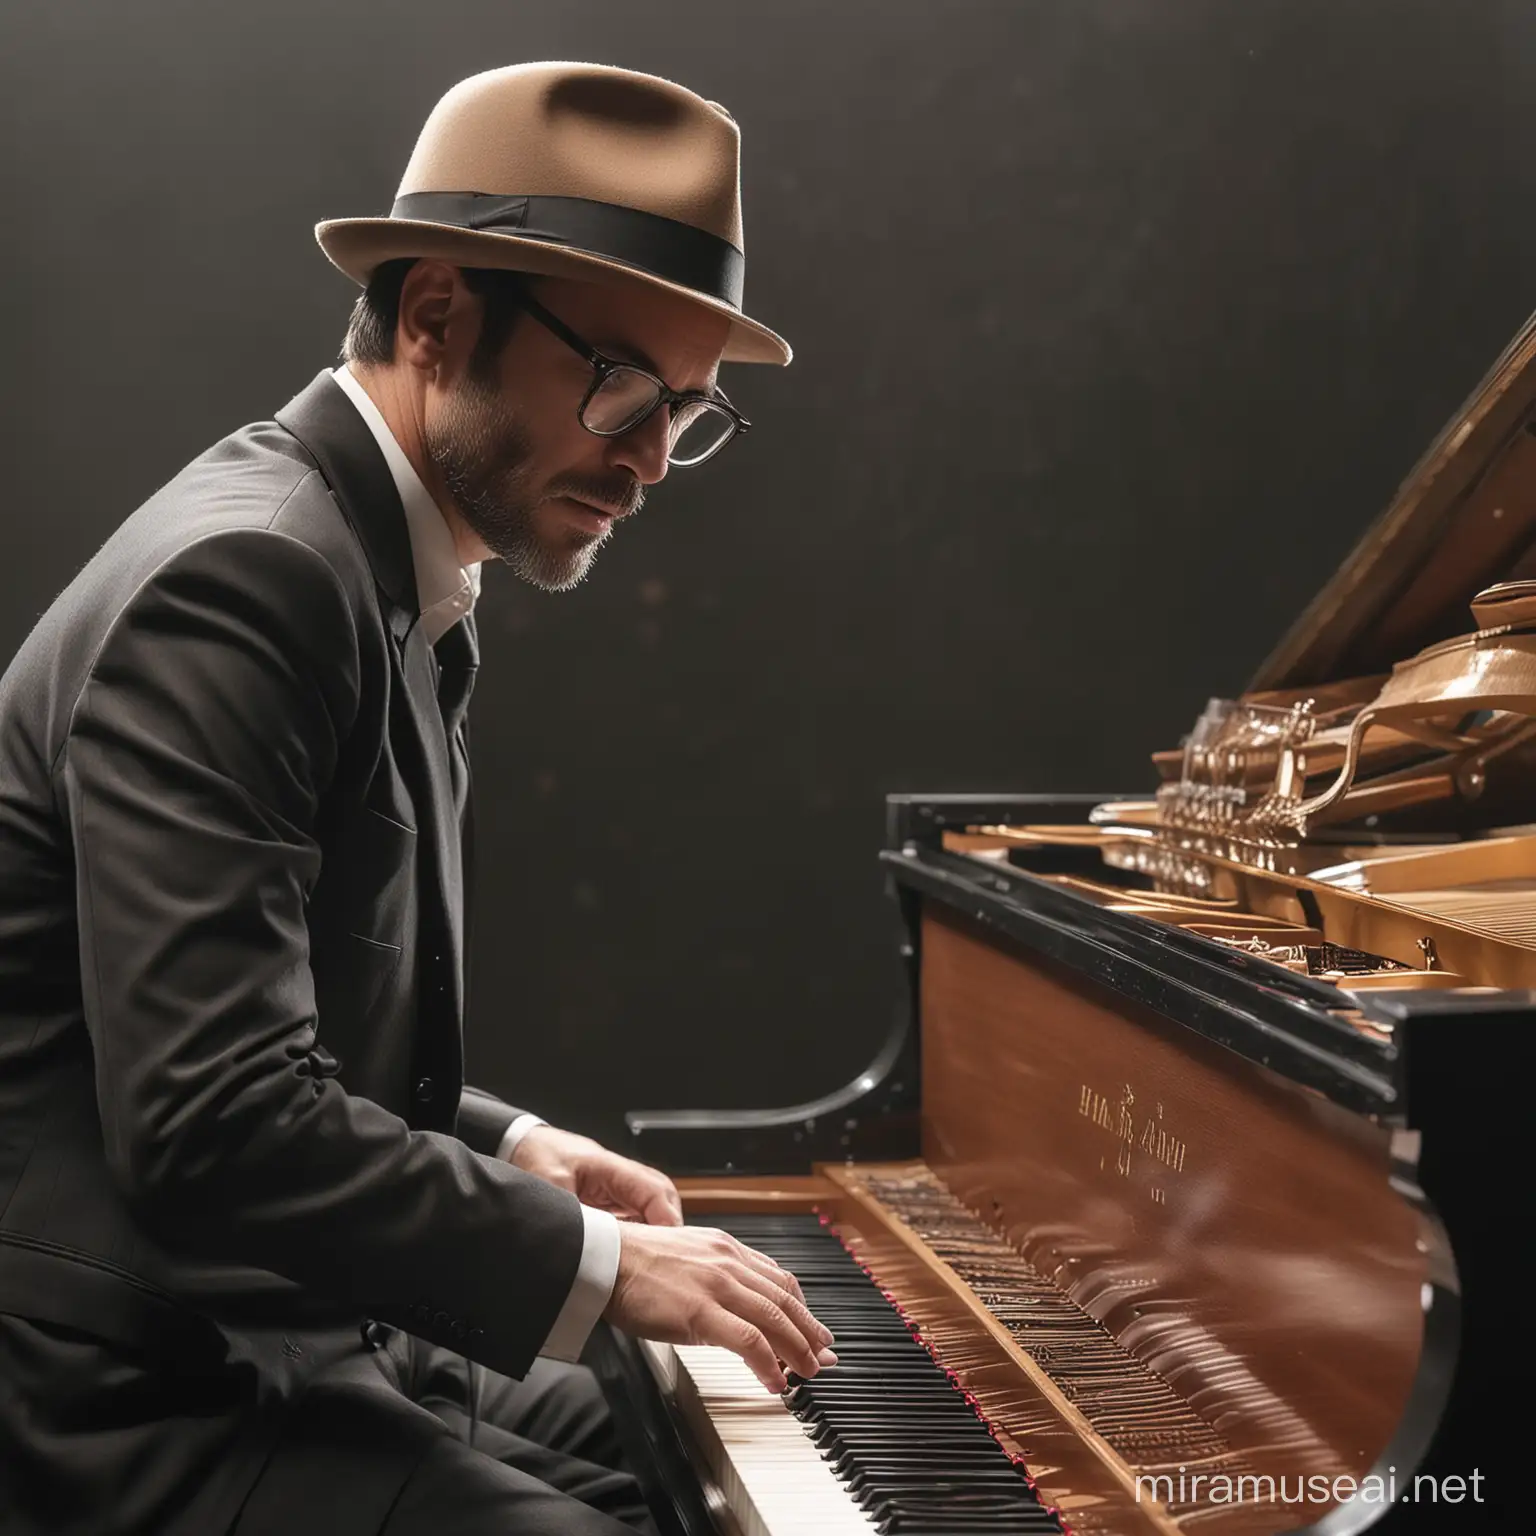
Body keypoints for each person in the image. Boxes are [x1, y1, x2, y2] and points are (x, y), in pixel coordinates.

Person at [0, 61, 834, 1536]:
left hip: (290, 1323)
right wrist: (593, 1264)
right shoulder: (249, 579)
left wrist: (507, 1146)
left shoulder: (382, 566)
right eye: (623, 385)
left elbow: (278, 1017)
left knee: (718, 1459)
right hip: (130, 1390)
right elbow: (214, 1122)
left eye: (688, 413)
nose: (650, 458)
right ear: (440, 319)